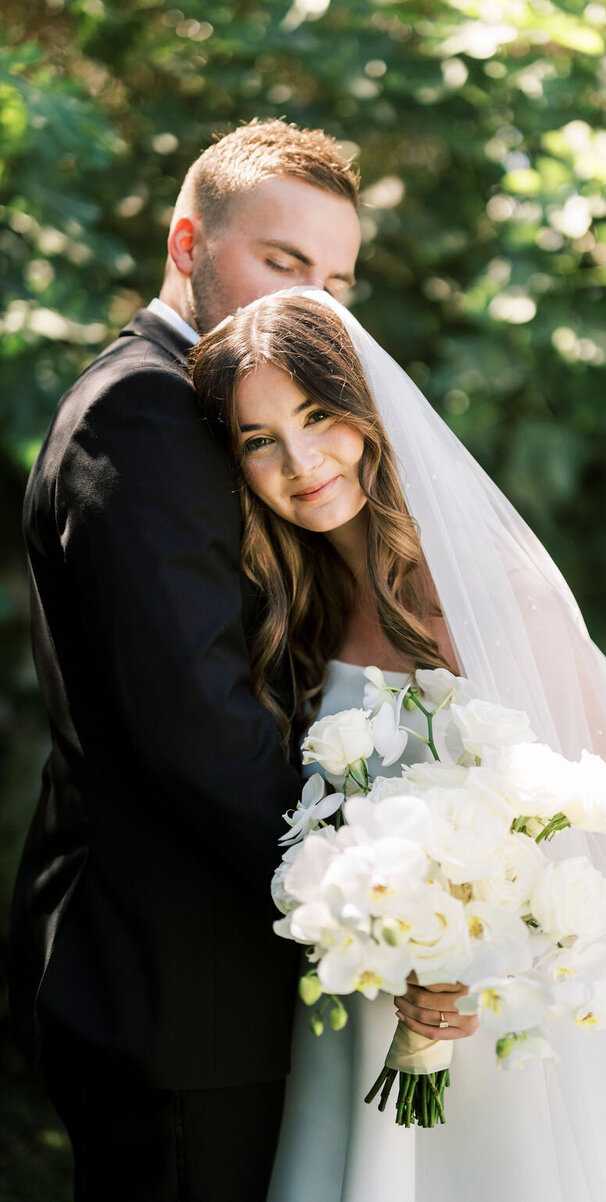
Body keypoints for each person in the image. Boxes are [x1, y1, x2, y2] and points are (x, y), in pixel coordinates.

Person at [191, 288, 606, 1201]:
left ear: (368, 412)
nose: (301, 460)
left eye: (318, 415)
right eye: (258, 439)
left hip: (491, 1022)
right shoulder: (294, 609)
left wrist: (473, 967)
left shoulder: (495, 593)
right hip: (364, 1016)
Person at [8, 120, 361, 1202]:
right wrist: (369, 901)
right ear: (186, 241)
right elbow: (197, 721)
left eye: (337, 280)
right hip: (176, 989)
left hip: (211, 982)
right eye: (282, 262)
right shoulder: (147, 409)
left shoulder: (212, 401)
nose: (311, 303)